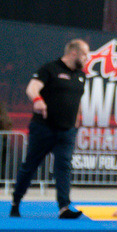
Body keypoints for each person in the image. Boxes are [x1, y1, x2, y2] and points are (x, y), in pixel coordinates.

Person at [9, 39, 90, 219]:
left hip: (67, 131)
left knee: (64, 167)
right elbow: (32, 88)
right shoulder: (50, 69)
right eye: (85, 54)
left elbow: (77, 102)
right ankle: (16, 202)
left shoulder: (81, 76)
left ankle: (64, 207)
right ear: (74, 53)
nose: (87, 58)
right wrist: (38, 101)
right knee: (30, 166)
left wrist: (76, 121)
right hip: (44, 128)